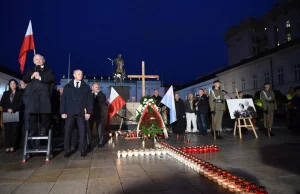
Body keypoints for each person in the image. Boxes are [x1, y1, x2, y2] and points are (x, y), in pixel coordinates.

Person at [60, 69, 93, 157]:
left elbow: (89, 101)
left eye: (82, 74)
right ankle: (67, 151)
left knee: (82, 132)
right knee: (67, 132)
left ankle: (82, 149)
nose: (81, 75)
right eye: (79, 74)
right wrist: (62, 112)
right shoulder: (67, 87)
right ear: (74, 75)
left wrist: (88, 112)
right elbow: (63, 100)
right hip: (69, 113)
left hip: (81, 113)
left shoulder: (86, 87)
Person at [23, 54, 55, 136]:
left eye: (40, 59)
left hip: (44, 95)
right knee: (32, 114)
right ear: (34, 61)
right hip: (33, 95)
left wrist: (40, 77)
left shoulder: (48, 69)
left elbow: (51, 79)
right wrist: (32, 76)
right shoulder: (31, 69)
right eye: (36, 59)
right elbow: (25, 79)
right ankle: (33, 130)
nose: (38, 61)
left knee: (44, 113)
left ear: (43, 60)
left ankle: (44, 129)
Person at [1, 79, 23, 153]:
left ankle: (13, 146)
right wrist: (7, 109)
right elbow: (2, 102)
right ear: (9, 85)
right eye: (11, 83)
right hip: (7, 113)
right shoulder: (5, 93)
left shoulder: (19, 93)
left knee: (14, 131)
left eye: (14, 83)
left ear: (16, 85)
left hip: (15, 113)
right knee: (7, 131)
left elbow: (21, 103)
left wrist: (13, 109)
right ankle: (7, 146)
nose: (12, 85)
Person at [89, 82, 106, 148]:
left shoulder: (101, 94)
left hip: (99, 114)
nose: (97, 88)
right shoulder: (89, 94)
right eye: (96, 87)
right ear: (92, 87)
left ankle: (100, 143)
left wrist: (98, 93)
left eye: (98, 87)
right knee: (89, 130)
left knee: (100, 130)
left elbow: (103, 100)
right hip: (90, 114)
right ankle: (89, 144)